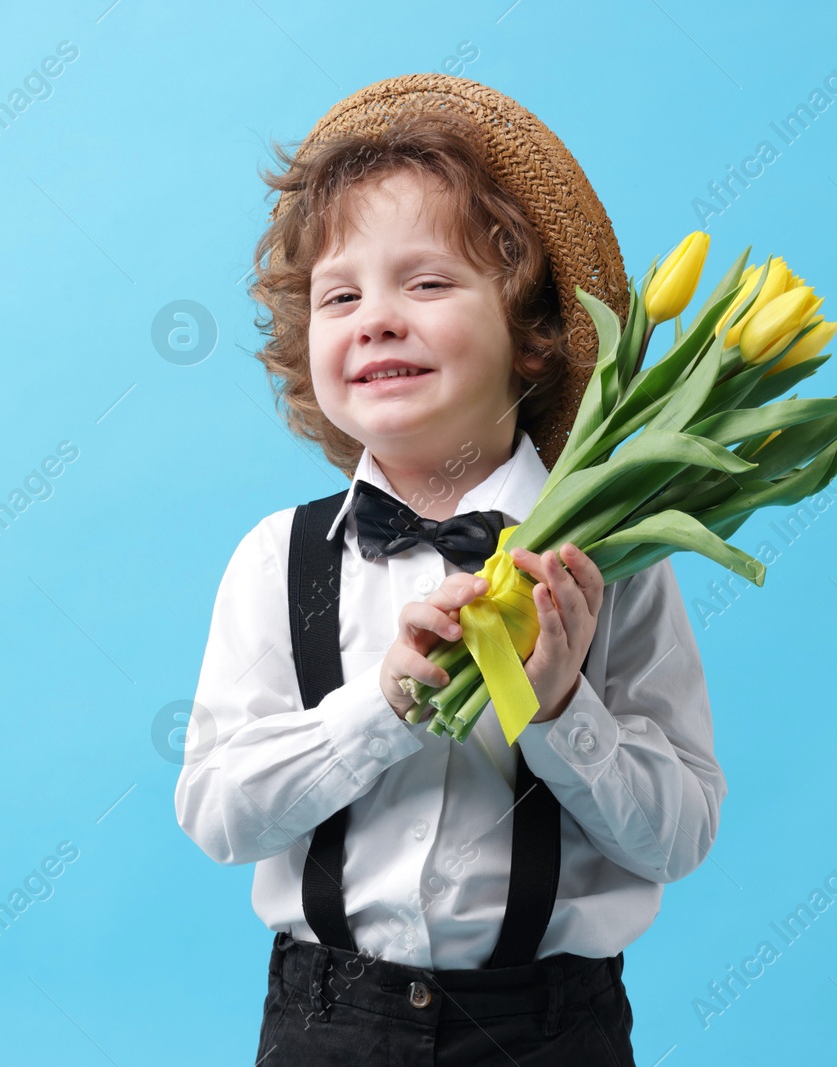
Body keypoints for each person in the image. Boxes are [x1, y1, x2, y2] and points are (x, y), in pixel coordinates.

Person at [175, 74, 725, 1066]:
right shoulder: (277, 559)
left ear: (529, 333)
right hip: (327, 1022)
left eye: (427, 283)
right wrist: (380, 702)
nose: (377, 317)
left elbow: (677, 835)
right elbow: (218, 812)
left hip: (551, 1029)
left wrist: (562, 713)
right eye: (340, 295)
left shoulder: (613, 562)